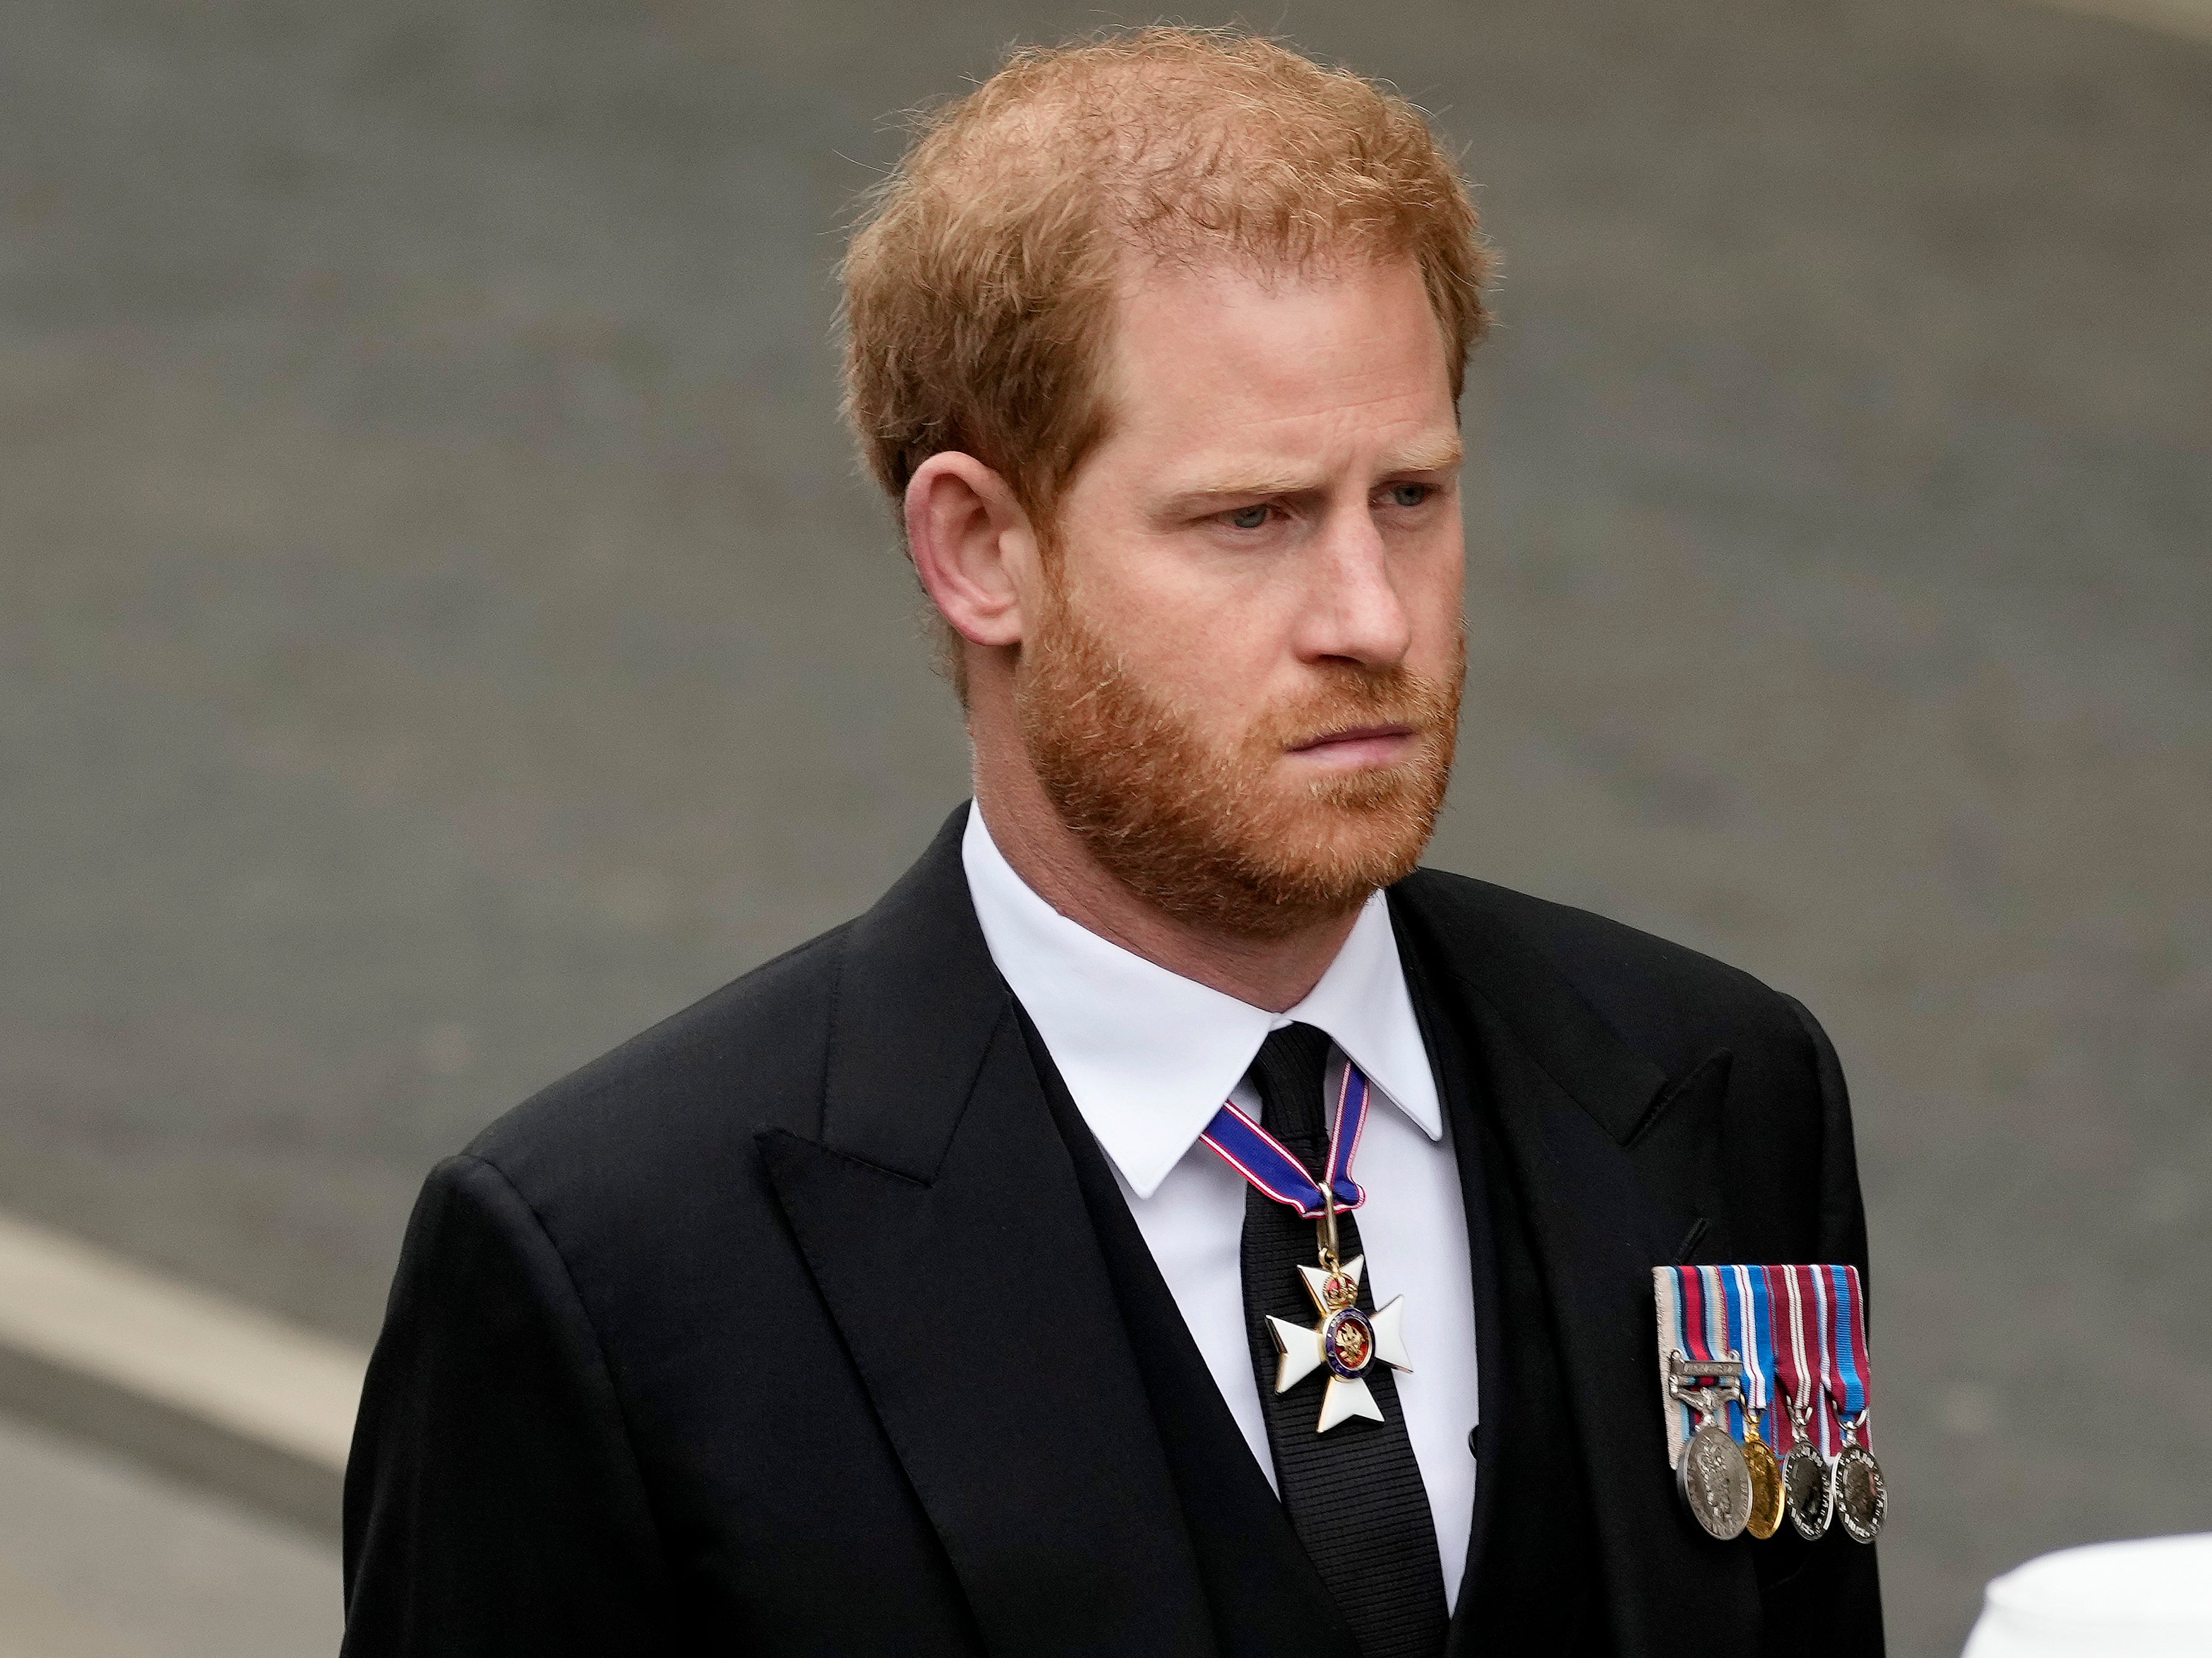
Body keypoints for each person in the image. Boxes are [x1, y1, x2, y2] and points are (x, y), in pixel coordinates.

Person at [341, 27, 1882, 1658]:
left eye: (1412, 497)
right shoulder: (617, 1278)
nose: (1372, 616)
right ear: (980, 549)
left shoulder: (1721, 1099)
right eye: (1255, 517)